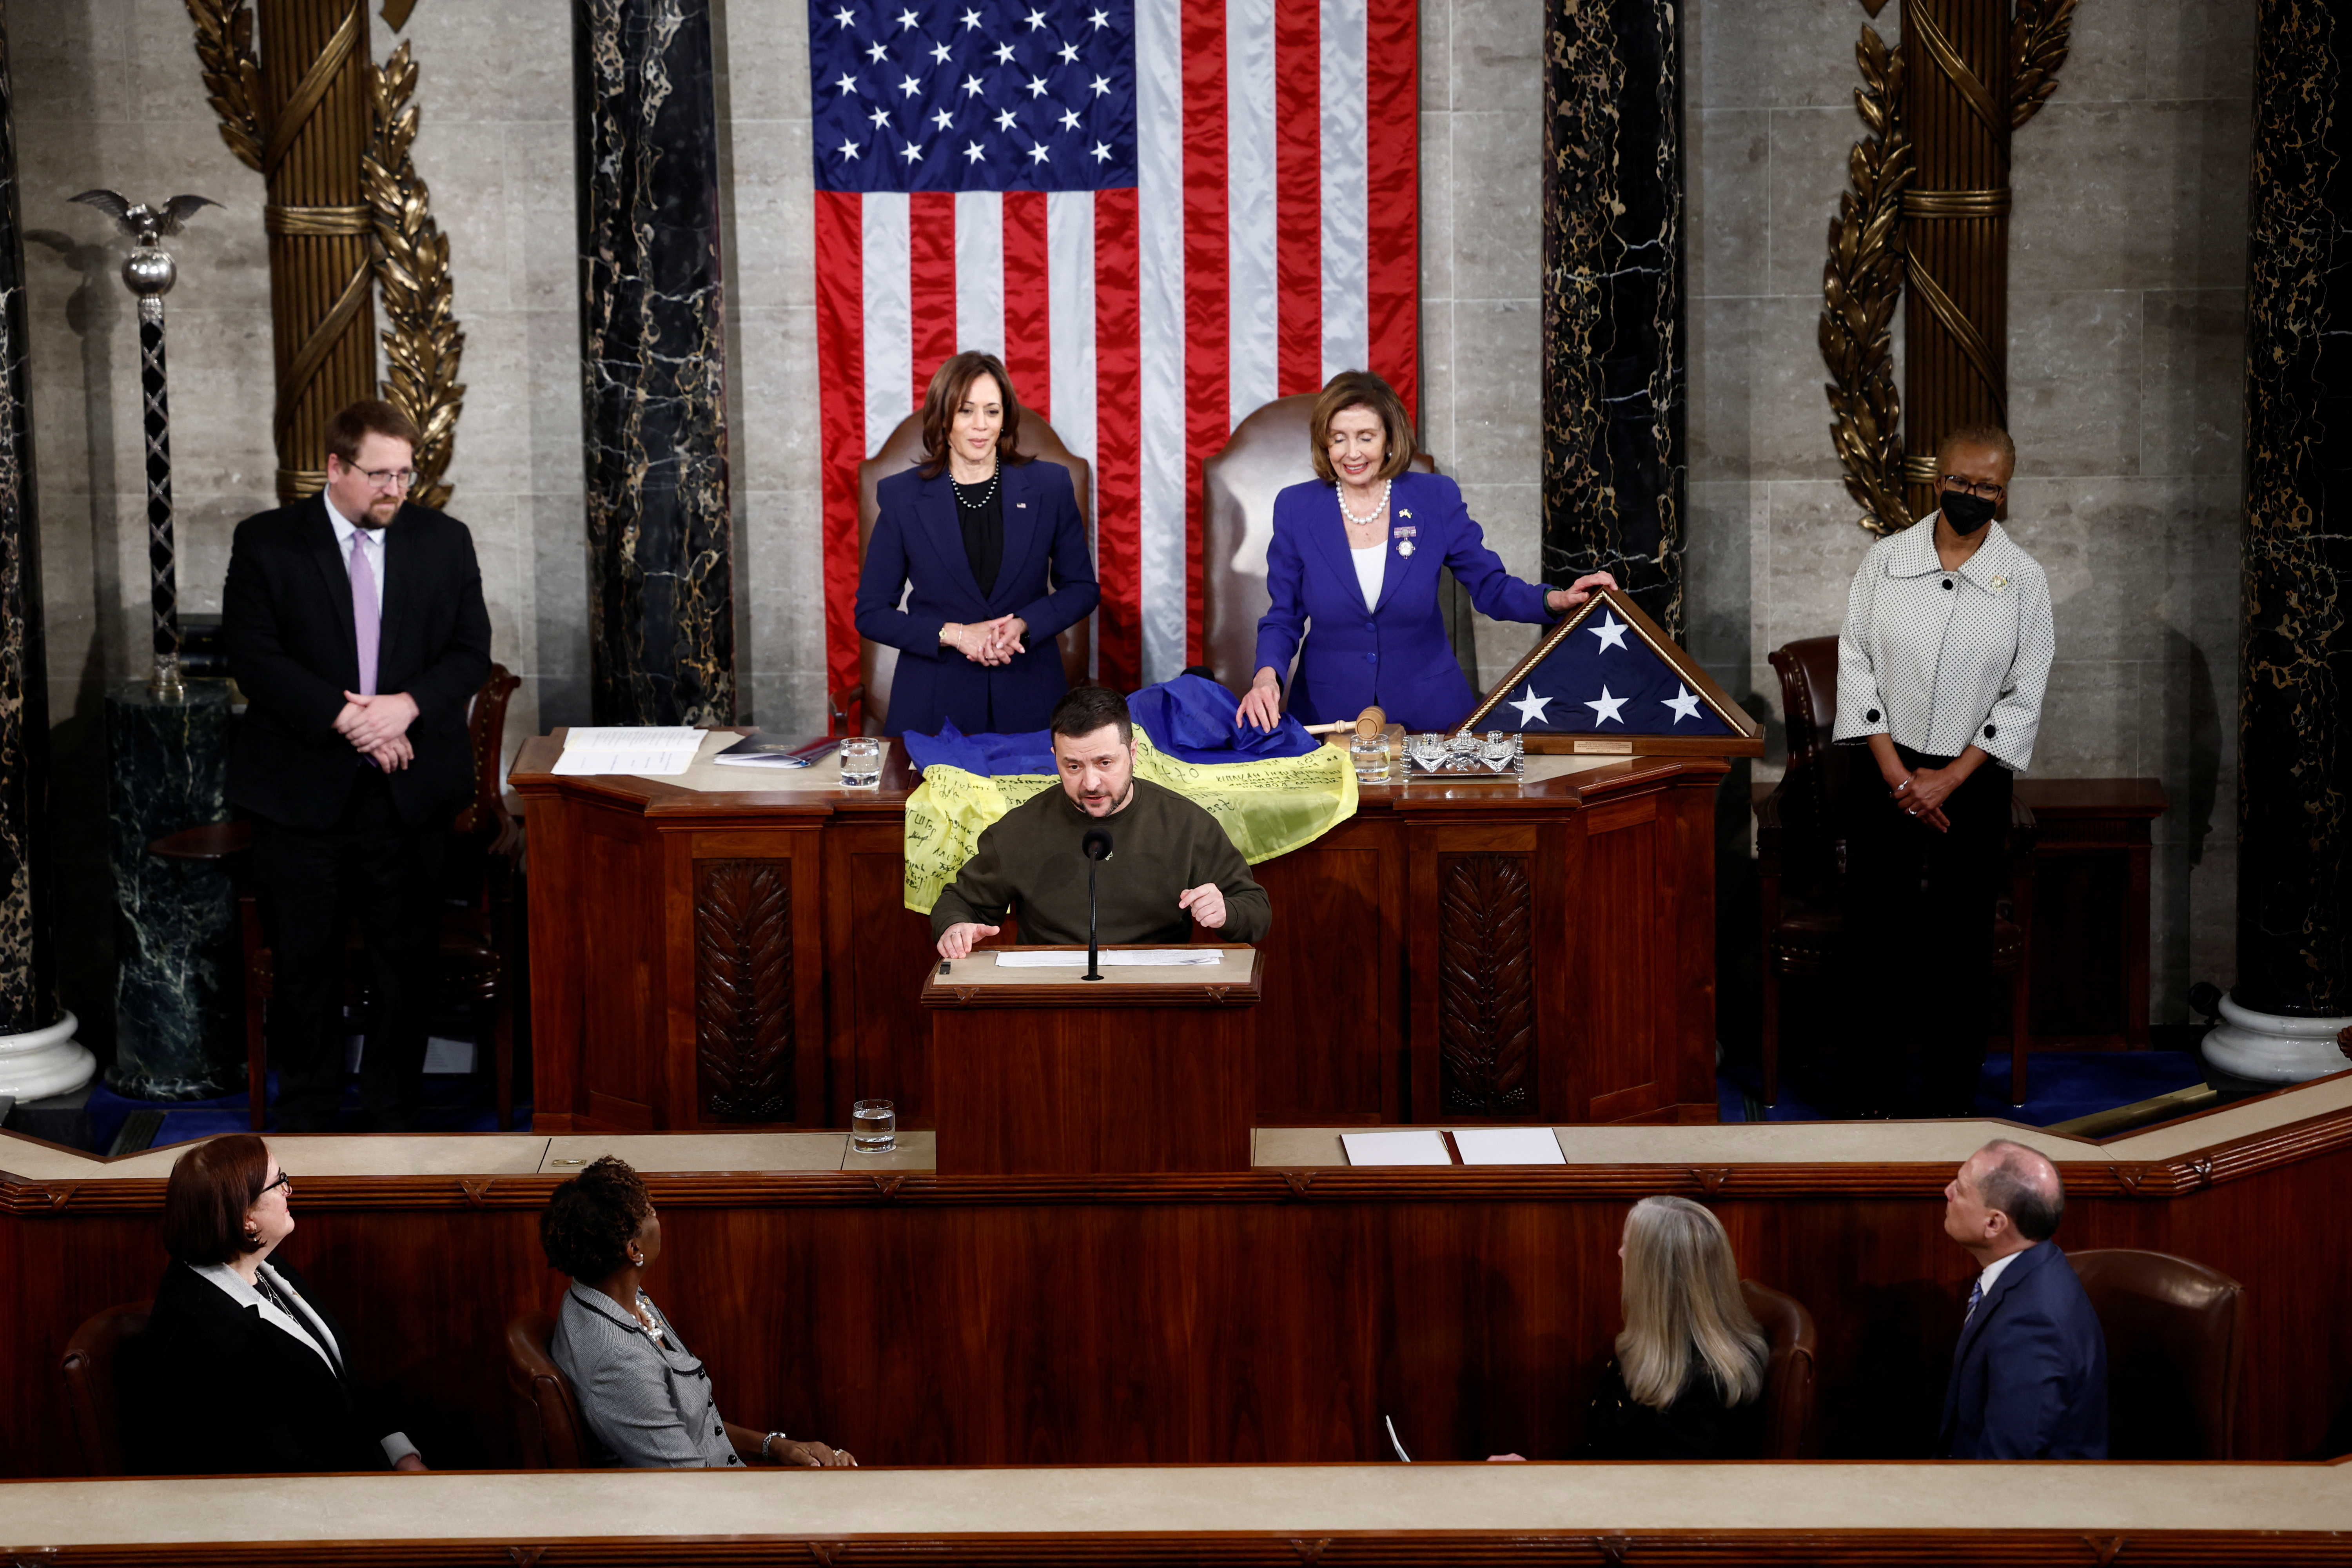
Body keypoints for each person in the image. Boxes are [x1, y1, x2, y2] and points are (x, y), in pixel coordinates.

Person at [222, 399, 492, 1132]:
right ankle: (308, 1121)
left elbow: (469, 652)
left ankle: (393, 1117)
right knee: (305, 969)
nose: (396, 491)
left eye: (407, 474)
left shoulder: (444, 541)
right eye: (380, 475)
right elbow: (252, 656)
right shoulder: (269, 542)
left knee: (404, 968)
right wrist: (351, 720)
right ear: (336, 468)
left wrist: (404, 708)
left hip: (409, 796)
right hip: (302, 796)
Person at [1831, 425, 2055, 1117]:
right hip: (1883, 774)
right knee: (1876, 939)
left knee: (1962, 947)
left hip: (1974, 782)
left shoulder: (2024, 579)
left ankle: (1950, 1102)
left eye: (1987, 486)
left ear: (2004, 492)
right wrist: (1901, 777)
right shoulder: (1886, 560)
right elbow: (1855, 664)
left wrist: (1948, 778)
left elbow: (2026, 689)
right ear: (1939, 480)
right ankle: (1870, 1098)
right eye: (1961, 481)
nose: (1971, 494)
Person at [1236, 369, 1616, 735]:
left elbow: (1491, 588)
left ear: (1389, 439)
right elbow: (1283, 615)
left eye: (1365, 437)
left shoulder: (1434, 498)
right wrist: (1266, 676)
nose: (1351, 453)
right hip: (1328, 715)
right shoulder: (1296, 508)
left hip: (1429, 714)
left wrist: (1556, 599)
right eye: (1338, 438)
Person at [132, 1134, 426, 1474]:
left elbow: (339, 1385)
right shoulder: (207, 1332)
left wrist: (400, 1452)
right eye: (278, 1183)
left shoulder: (263, 1265)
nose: (289, 1191)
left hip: (355, 1467)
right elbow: (272, 1461)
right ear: (246, 1218)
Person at [541, 1155, 853, 1468]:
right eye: (648, 1211)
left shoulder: (612, 1294)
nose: (656, 1214)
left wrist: (778, 1447)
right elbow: (690, 1484)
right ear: (634, 1250)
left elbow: (689, 1425)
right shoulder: (619, 1362)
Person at [854, 350, 1100, 736]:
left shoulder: (1049, 487)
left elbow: (1082, 589)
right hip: (933, 704)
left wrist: (1025, 624)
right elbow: (870, 612)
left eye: (992, 411)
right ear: (943, 418)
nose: (980, 426)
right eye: (966, 411)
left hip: (1029, 694)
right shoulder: (903, 497)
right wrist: (953, 634)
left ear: (1006, 419)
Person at [933, 684, 1271, 958]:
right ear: (1055, 759)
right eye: (1074, 767)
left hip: (1157, 996)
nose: (1091, 783)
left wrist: (1226, 912)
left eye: (1105, 763)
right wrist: (956, 927)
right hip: (1050, 1001)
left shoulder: (1187, 824)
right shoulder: (1020, 829)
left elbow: (1256, 910)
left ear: (1134, 753)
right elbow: (960, 902)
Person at [1938, 1140, 2107, 1459]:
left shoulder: (2031, 1325)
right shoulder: (2038, 1267)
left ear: (1994, 1224)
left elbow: (2008, 1462)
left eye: (1960, 1189)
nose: (1947, 1192)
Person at [1583, 1196, 1769, 1459]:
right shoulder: (1650, 1347)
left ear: (1655, 1274)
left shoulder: (1704, 1388)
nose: (1620, 1253)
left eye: (1627, 1244)